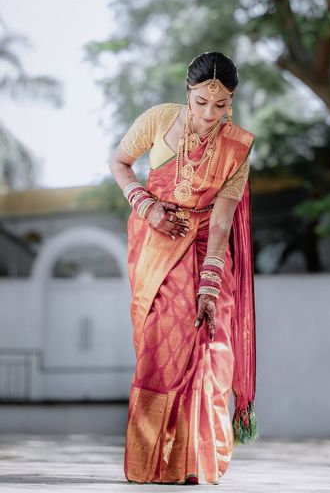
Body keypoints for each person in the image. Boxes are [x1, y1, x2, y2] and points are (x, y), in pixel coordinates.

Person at [108, 51, 257, 485]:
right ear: (187, 94)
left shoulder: (236, 147)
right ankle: (150, 458)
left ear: (230, 101)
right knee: (164, 337)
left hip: (206, 247)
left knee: (211, 342)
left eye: (221, 104)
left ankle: (193, 461)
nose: (210, 114)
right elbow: (118, 164)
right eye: (201, 102)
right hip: (157, 240)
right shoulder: (157, 120)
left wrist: (210, 283)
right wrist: (145, 205)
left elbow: (224, 218)